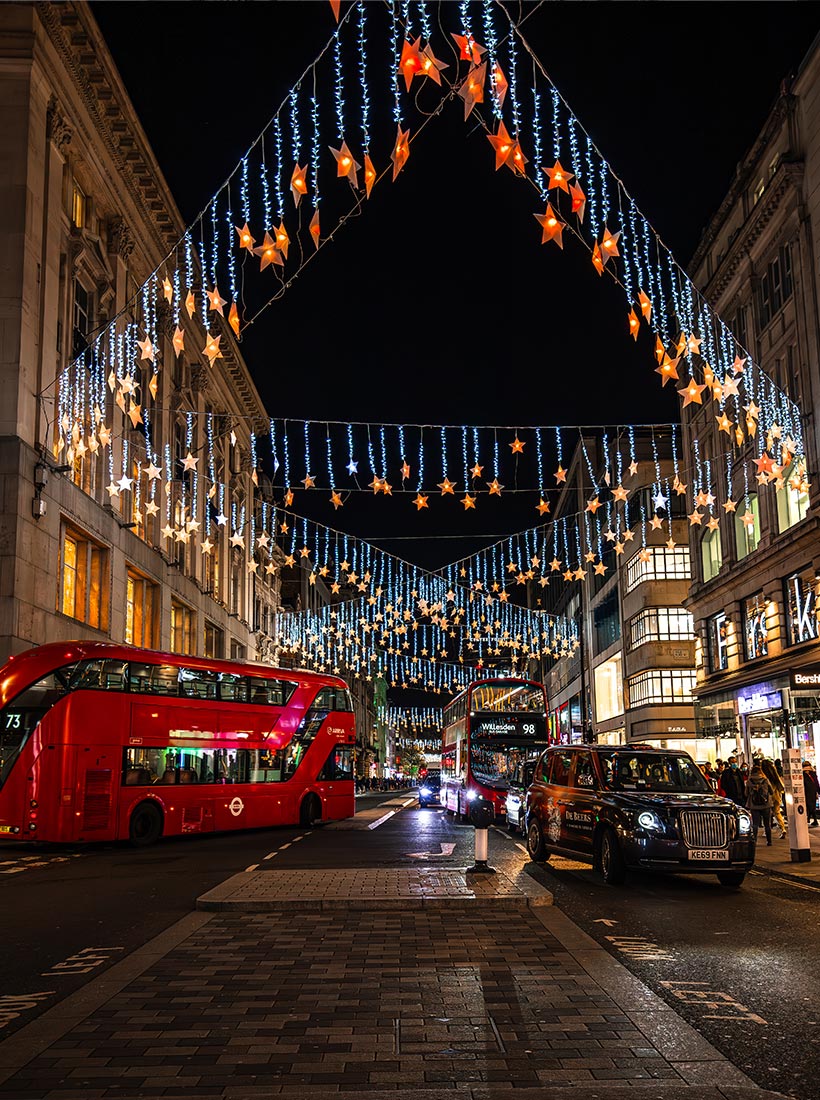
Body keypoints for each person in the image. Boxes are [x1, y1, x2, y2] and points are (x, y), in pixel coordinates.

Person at [745, 761, 773, 844]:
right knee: (767, 824)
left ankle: (755, 840)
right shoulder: (765, 780)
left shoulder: (749, 781)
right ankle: (769, 841)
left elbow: (746, 793)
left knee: (755, 824)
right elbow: (771, 791)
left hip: (754, 805)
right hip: (766, 804)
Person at [760, 757, 787, 838]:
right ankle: (783, 829)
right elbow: (780, 785)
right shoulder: (774, 774)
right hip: (777, 795)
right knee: (777, 812)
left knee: (766, 814)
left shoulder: (763, 776)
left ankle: (766, 830)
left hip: (768, 796)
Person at [802, 760, 820, 827]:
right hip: (813, 791)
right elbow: (816, 782)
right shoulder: (813, 773)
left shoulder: (803, 774)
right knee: (812, 805)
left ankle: (813, 820)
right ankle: (809, 819)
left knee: (809, 805)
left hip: (807, 791)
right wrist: (818, 790)